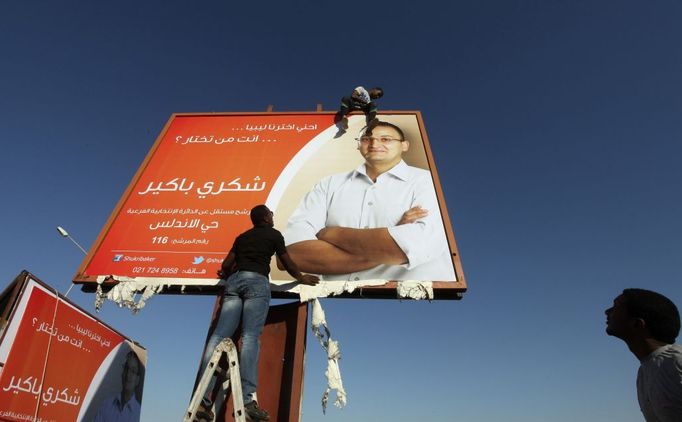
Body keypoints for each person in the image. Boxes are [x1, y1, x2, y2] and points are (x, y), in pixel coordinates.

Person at [284, 121, 456, 281]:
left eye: (386, 139)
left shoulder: (427, 181)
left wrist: (330, 233)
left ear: (404, 145)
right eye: (366, 139)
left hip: (413, 302)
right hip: (336, 301)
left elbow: (414, 247)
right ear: (358, 144)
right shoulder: (329, 184)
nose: (374, 144)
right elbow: (291, 255)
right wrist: (391, 238)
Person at [195, 204, 319, 422]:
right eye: (270, 213)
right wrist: (302, 277)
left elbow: (226, 264)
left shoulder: (242, 237)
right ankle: (247, 400)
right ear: (265, 218)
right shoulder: (273, 234)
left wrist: (225, 273)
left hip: (234, 284)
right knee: (250, 337)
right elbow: (286, 263)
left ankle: (203, 400)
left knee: (218, 337)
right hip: (256, 283)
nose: (273, 216)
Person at [605, 288, 682, 422]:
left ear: (637, 324)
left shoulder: (676, 361)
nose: (607, 311)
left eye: (616, 306)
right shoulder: (643, 372)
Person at [94, 350, 144, 422]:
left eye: (133, 371)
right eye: (126, 368)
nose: (128, 375)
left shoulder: (138, 413)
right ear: (122, 373)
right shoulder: (106, 405)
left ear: (137, 380)